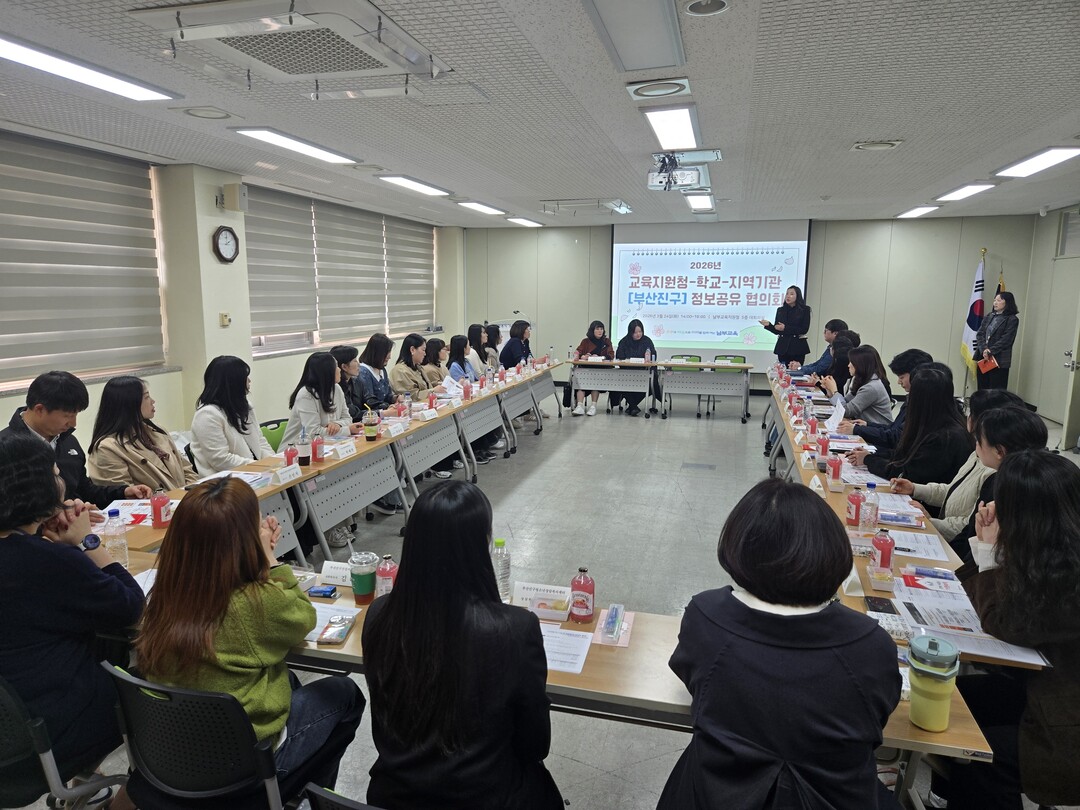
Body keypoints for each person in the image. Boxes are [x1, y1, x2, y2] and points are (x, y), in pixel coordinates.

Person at [658, 478, 900, 809]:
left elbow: (693, 679)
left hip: (715, 793)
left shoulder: (706, 618)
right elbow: (878, 717)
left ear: (738, 547)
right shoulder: (870, 645)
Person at [135, 477, 364, 799]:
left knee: (289, 680)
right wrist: (270, 559)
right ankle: (297, 794)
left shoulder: (166, 593)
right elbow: (302, 617)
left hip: (175, 756)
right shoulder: (256, 604)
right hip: (242, 764)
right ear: (242, 543)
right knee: (344, 692)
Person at [362, 480, 563, 810]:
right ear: (478, 546)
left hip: (396, 797)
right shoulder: (514, 629)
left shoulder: (380, 616)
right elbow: (535, 745)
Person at [927, 450, 1080, 810]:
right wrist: (984, 550)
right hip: (1044, 691)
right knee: (949, 698)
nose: (994, 507)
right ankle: (942, 796)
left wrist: (988, 551)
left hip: (1065, 722)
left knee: (980, 757)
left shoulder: (1069, 578)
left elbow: (1005, 622)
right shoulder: (1051, 551)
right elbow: (975, 596)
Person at [0, 435, 142, 809]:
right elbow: (131, 605)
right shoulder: (45, 561)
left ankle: (84, 784)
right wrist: (87, 542)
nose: (61, 479)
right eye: (55, 472)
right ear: (36, 487)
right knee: (157, 693)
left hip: (11, 726)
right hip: (47, 730)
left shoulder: (31, 552)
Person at [0, 370, 151, 507]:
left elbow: (84, 490)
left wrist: (123, 492)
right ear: (40, 409)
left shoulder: (68, 442)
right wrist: (59, 516)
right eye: (68, 416)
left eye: (76, 415)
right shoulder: (6, 448)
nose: (73, 423)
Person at [890, 389, 1021, 542]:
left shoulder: (996, 477)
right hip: (945, 533)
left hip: (953, 542)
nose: (967, 417)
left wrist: (931, 522)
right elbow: (953, 490)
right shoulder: (978, 455)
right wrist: (915, 489)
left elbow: (968, 527)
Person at [945, 405, 1047, 561]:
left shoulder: (1015, 491)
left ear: (999, 451)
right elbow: (969, 532)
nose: (976, 445)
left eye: (979, 440)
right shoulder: (996, 480)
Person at [849, 365, 972, 486]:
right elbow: (905, 455)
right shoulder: (935, 421)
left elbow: (907, 474)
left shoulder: (945, 436)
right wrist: (870, 455)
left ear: (920, 400)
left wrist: (869, 460)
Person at [87, 376, 198, 491]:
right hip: (156, 506)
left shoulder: (158, 431)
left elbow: (187, 470)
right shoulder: (107, 448)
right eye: (146, 397)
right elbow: (125, 495)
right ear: (130, 404)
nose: (153, 401)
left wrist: (192, 495)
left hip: (184, 502)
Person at [189, 355, 274, 475]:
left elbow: (260, 442)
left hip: (255, 472)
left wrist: (276, 462)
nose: (249, 381)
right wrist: (259, 467)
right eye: (245, 377)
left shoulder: (244, 406)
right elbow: (220, 460)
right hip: (226, 482)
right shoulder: (207, 415)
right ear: (232, 382)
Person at [841, 348, 934, 450]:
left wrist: (858, 430)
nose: (899, 382)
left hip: (889, 447)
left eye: (902, 377)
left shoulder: (922, 405)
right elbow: (894, 428)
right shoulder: (912, 398)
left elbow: (896, 438)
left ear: (916, 375)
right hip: (886, 440)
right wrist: (866, 425)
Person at [282, 352, 362, 448]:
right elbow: (313, 433)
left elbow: (348, 418)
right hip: (296, 451)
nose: (339, 369)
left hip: (327, 445)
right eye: (336, 366)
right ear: (326, 371)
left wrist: (336, 424)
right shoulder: (306, 395)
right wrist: (347, 430)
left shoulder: (336, 388)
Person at [448, 336, 498, 463]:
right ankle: (473, 450)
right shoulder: (454, 366)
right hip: (463, 402)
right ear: (462, 348)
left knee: (482, 415)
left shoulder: (466, 362)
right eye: (468, 345)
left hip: (473, 397)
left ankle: (482, 447)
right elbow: (459, 386)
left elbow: (475, 379)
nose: (470, 347)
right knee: (474, 419)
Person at [821, 344, 894, 424]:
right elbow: (846, 402)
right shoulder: (861, 380)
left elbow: (846, 411)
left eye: (851, 362)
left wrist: (834, 391)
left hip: (875, 431)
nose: (848, 365)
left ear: (860, 365)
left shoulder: (871, 387)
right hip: (864, 427)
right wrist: (829, 390)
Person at [974, 291, 1019, 390]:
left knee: (996, 390)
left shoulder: (1012, 319)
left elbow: (1007, 339)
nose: (995, 303)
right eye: (994, 300)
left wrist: (991, 351)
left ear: (1007, 302)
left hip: (999, 359)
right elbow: (980, 333)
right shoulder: (989, 316)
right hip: (984, 358)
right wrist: (984, 350)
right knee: (982, 388)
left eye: (998, 300)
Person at [759, 285, 812, 366]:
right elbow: (777, 331)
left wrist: (785, 328)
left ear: (798, 296)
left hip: (797, 347)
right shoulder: (781, 310)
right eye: (787, 294)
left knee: (796, 372)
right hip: (783, 347)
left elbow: (804, 329)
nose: (788, 296)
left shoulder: (805, 310)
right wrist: (769, 325)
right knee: (782, 374)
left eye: (791, 294)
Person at [613, 319, 656, 417]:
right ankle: (633, 406)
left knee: (652, 383)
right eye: (635, 332)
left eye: (640, 332)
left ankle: (632, 406)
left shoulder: (647, 341)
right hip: (627, 372)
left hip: (643, 372)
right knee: (621, 381)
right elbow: (619, 357)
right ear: (630, 332)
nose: (638, 334)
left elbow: (653, 355)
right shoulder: (624, 341)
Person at [572, 320, 614, 417]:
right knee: (581, 382)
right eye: (597, 329)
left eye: (601, 329)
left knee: (595, 382)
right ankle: (579, 406)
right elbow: (578, 352)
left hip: (601, 369)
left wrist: (601, 358)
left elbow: (611, 355)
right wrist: (583, 356)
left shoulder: (606, 341)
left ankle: (593, 406)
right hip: (586, 368)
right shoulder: (586, 341)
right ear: (592, 330)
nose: (600, 331)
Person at [390, 333, 445, 401]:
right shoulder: (400, 370)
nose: (425, 354)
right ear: (412, 350)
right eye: (423, 350)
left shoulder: (418, 367)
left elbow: (426, 387)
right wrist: (433, 391)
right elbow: (411, 396)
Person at [356, 333, 400, 417]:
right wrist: (387, 407)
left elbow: (387, 395)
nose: (390, 356)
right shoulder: (363, 373)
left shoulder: (382, 369)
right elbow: (370, 402)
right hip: (373, 417)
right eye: (387, 352)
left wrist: (395, 398)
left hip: (387, 414)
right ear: (377, 353)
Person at [329, 345, 363, 421]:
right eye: (355, 361)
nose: (359, 364)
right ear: (344, 367)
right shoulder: (336, 388)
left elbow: (367, 401)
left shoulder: (356, 382)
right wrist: (381, 413)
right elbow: (351, 413)